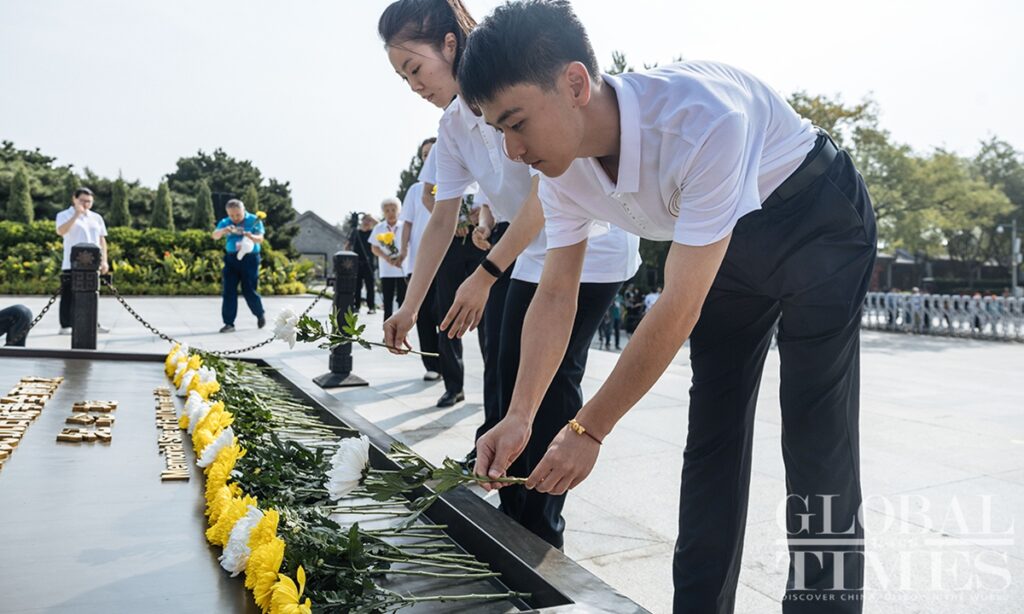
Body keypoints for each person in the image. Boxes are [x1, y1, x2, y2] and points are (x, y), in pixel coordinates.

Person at [459, 2, 877, 611]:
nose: (512, 149)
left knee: (817, 435)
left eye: (516, 122)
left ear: (575, 83)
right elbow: (556, 292)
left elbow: (677, 307)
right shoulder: (562, 170)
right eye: (498, 129)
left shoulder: (699, 120)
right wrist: (521, 414)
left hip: (815, 218)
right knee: (713, 428)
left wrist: (589, 427)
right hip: (721, 243)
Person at [378, 0, 640, 548]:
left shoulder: (511, 96)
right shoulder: (453, 125)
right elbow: (439, 218)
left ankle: (540, 534)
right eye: (402, 77)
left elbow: (554, 190)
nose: (412, 85)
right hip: (528, 254)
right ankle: (504, 503)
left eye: (414, 69)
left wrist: (487, 272)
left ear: (449, 45)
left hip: (590, 247)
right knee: (503, 372)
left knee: (549, 384)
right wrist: (409, 304)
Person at [399, 138, 443, 381]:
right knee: (424, 316)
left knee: (442, 313)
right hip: (418, 262)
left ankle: (449, 364)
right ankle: (432, 365)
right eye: (425, 154)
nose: (429, 158)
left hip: (445, 261)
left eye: (432, 153)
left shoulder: (453, 184)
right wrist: (403, 250)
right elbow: (407, 223)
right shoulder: (416, 190)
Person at [55, 187, 110, 334]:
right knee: (68, 295)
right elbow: (61, 231)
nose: (86, 204)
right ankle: (66, 325)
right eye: (83, 201)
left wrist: (104, 261)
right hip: (71, 263)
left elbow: (102, 240)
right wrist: (76, 215)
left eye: (89, 201)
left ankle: (93, 323)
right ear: (74, 199)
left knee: (92, 294)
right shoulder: (64, 215)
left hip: (92, 264)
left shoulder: (96, 217)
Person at [211, 199, 266, 333]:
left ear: (243, 210)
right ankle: (229, 323)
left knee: (249, 290)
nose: (235, 218)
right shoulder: (225, 222)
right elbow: (214, 235)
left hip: (250, 259)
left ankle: (259, 314)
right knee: (228, 290)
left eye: (238, 215)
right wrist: (224, 230)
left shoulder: (254, 220)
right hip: (231, 259)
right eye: (232, 215)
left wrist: (251, 236)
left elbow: (260, 238)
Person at [369, 198, 407, 320]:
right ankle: (387, 331)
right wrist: (387, 258)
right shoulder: (379, 228)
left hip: (403, 268)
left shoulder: (404, 226)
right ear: (383, 213)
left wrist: (401, 257)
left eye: (393, 210)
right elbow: (374, 248)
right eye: (387, 211)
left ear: (398, 211)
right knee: (388, 300)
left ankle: (403, 331)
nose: (390, 213)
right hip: (387, 270)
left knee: (403, 299)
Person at [348, 213, 378, 313]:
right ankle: (356, 306)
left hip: (369, 263)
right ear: (362, 220)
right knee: (357, 286)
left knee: (370, 286)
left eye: (370, 220)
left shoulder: (373, 232)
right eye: (366, 220)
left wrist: (373, 219)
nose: (367, 222)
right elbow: (348, 245)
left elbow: (380, 225)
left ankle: (371, 307)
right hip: (357, 263)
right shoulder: (355, 232)